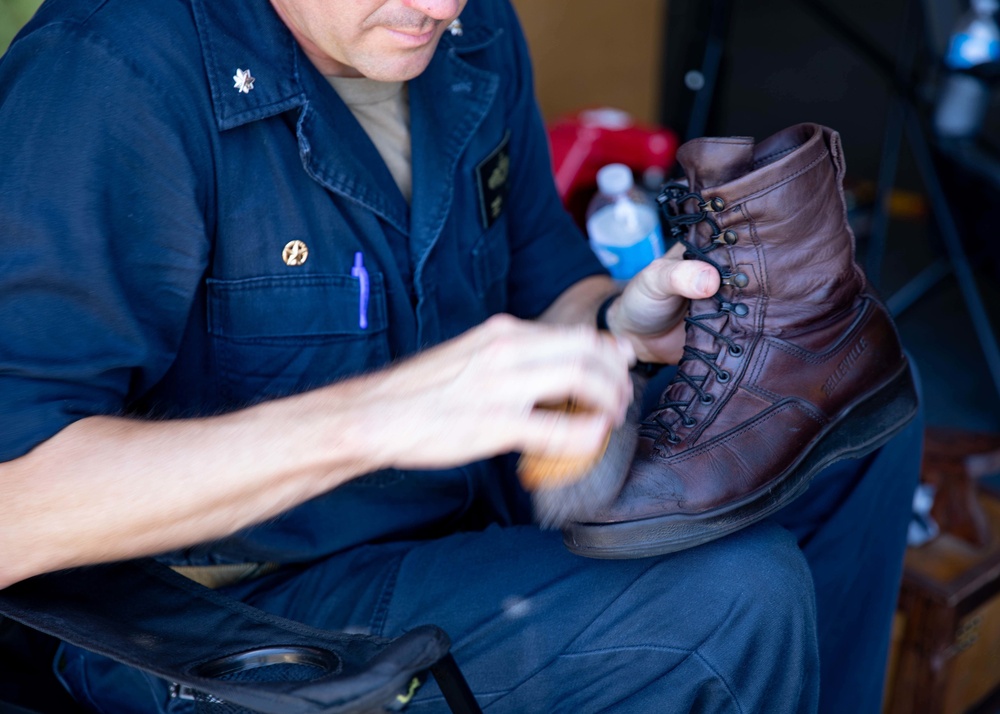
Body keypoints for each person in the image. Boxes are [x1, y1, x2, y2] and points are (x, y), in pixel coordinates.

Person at [0, 0, 921, 711]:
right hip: (220, 605)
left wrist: (615, 328)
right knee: (732, 599)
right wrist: (380, 418)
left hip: (459, 509)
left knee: (849, 419)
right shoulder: (108, 76)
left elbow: (544, 281)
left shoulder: (464, 35)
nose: (443, 6)